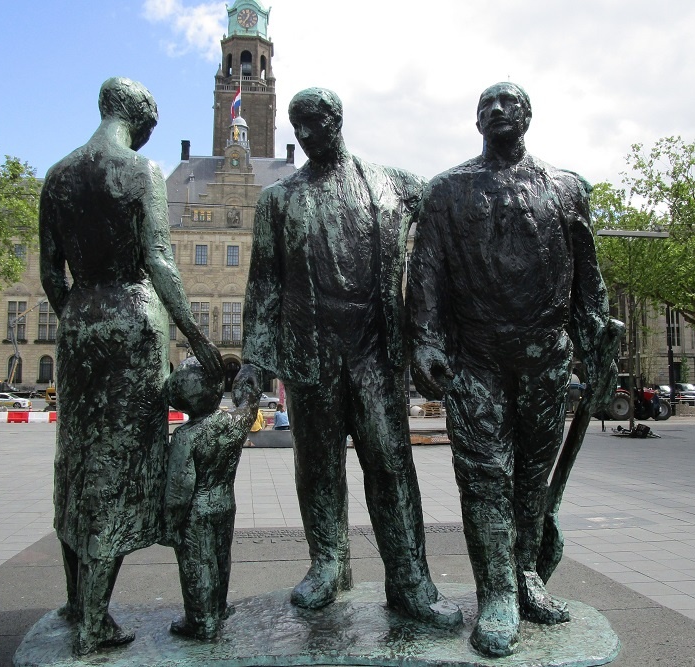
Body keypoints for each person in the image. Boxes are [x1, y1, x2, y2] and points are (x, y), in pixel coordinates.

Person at [234, 88, 461, 628]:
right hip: (310, 355)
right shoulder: (279, 200)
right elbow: (263, 285)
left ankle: (408, 579)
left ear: (337, 120)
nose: (305, 134)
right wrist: (253, 361)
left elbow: (444, 242)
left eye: (313, 122)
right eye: (297, 125)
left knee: (390, 466)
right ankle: (329, 564)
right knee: (317, 469)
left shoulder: (396, 186)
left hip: (375, 356)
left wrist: (437, 331)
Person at [406, 82, 617, 657]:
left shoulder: (569, 188)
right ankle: (496, 591)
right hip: (476, 357)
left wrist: (597, 338)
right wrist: (424, 341)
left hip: (546, 358)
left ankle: (524, 572)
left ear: (529, 115)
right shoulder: (446, 191)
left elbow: (586, 277)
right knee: (483, 476)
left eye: (508, 103)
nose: (497, 111)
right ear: (476, 123)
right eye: (485, 106)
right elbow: (425, 274)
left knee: (531, 475)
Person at [39, 77, 222, 655]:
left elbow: (50, 274)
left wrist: (79, 319)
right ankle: (96, 621)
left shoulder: (57, 176)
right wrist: (196, 336)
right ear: (139, 120)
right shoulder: (140, 172)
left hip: (80, 326)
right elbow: (161, 261)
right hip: (131, 319)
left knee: (77, 457)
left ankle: (75, 601)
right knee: (121, 467)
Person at [161, 358, 258, 640]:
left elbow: (180, 488)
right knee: (220, 557)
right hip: (225, 503)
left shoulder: (185, 436)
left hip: (196, 511)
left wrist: (170, 523)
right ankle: (218, 607)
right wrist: (247, 387)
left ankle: (201, 621)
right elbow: (249, 410)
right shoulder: (233, 423)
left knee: (198, 564)